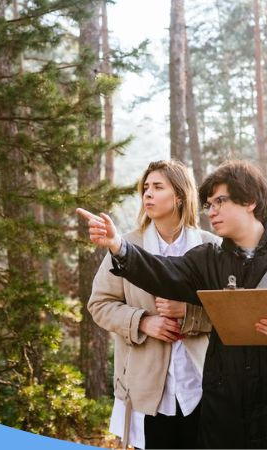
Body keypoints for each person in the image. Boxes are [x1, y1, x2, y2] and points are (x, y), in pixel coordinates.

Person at [77, 160, 267, 448]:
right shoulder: (208, 260)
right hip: (228, 424)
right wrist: (119, 247)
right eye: (209, 204)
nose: (211, 211)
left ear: (249, 201)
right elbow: (163, 272)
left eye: (220, 202)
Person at [87, 160, 221, 449]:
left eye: (158, 187)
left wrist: (189, 315)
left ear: (180, 196)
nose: (148, 194)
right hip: (146, 393)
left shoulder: (211, 248)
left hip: (202, 387)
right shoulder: (124, 247)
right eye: (145, 188)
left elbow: (230, 313)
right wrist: (143, 322)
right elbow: (99, 304)